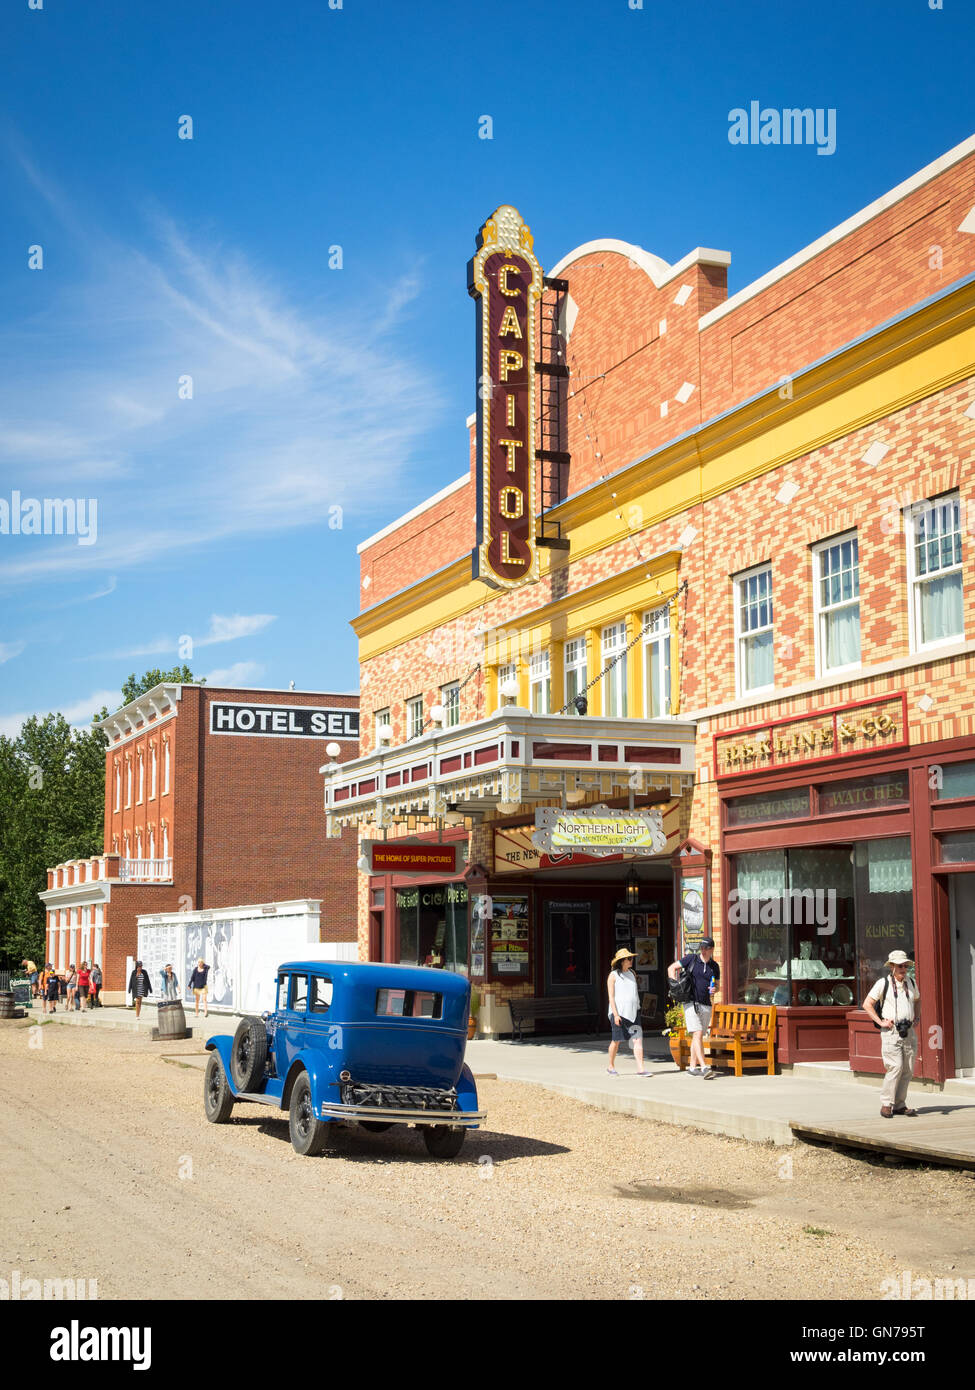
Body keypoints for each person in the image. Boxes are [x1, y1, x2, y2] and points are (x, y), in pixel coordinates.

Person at [862, 949, 921, 1118]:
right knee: (895, 1067)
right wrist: (881, 1021)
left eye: (905, 966)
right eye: (900, 966)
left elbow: (918, 1000)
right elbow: (867, 1004)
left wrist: (917, 1017)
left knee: (908, 1069)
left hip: (908, 1031)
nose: (904, 969)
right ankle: (886, 1104)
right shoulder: (883, 983)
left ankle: (899, 1105)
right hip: (891, 1031)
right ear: (892, 967)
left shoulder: (911, 983)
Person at [668, 937, 720, 1078]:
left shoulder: (714, 966)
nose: (703, 950)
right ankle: (704, 1067)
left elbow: (718, 986)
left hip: (706, 1004)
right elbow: (671, 968)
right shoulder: (691, 959)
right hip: (690, 1002)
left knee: (698, 1036)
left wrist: (715, 989)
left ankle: (692, 1067)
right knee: (697, 1034)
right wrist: (675, 985)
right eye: (701, 948)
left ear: (711, 949)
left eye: (706, 948)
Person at [606, 948, 650, 1076]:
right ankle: (611, 1066)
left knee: (637, 1040)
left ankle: (641, 1069)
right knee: (616, 1040)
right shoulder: (613, 976)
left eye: (631, 958)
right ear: (622, 961)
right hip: (619, 1013)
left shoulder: (632, 973)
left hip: (633, 1012)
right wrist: (615, 1014)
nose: (631, 960)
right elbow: (611, 997)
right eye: (629, 959)